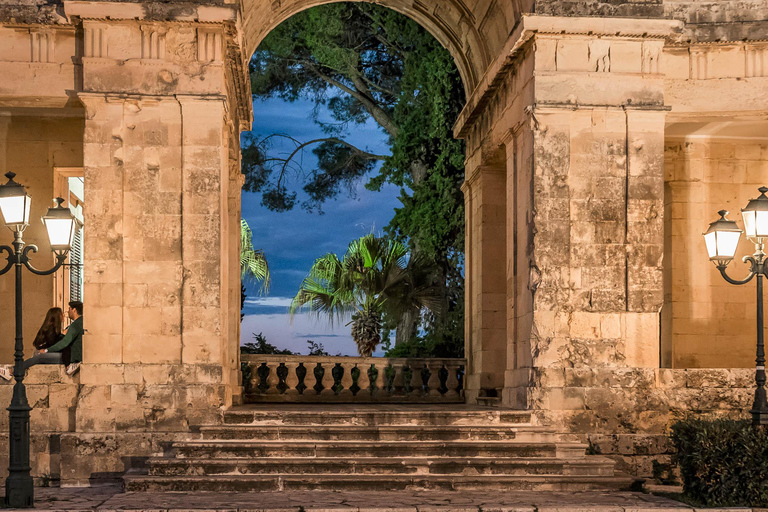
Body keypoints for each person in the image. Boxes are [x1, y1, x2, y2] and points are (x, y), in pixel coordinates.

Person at [0, 301, 83, 381]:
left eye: (69, 309)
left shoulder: (76, 324)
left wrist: (47, 350)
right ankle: (14, 368)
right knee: (38, 355)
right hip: (69, 356)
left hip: (70, 358)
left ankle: (11, 371)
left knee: (40, 357)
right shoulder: (79, 323)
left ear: (74, 310)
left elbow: (64, 343)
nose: (66, 313)